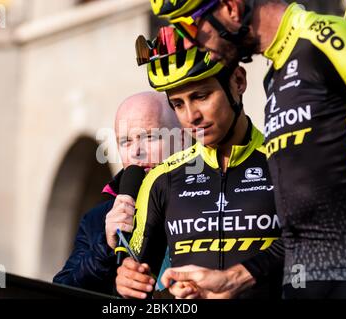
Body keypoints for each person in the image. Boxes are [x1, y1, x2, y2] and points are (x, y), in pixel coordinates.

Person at [152, 0, 346, 298]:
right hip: (303, 287)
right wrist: (233, 279)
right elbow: (300, 229)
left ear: (231, 7)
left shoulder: (327, 40)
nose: (193, 42)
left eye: (191, 26)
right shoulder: (276, 74)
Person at [115, 26, 283, 299]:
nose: (191, 116)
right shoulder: (161, 180)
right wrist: (130, 283)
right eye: (178, 104)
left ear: (238, 81)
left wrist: (236, 278)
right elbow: (138, 293)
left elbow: (321, 247)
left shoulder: (285, 162)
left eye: (201, 96)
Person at [53, 91, 181, 295]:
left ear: (183, 139)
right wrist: (105, 246)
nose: (136, 152)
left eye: (149, 137)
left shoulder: (210, 200)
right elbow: (62, 290)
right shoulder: (98, 219)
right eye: (125, 142)